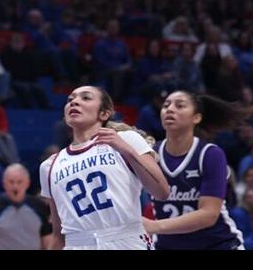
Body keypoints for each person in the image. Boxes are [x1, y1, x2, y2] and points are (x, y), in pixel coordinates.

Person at [39, 86, 170, 249]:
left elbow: (162, 191)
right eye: (70, 99)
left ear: (104, 113)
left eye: (85, 98)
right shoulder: (49, 166)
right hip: (77, 244)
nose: (74, 102)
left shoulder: (126, 139)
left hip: (126, 241)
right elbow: (59, 235)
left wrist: (128, 151)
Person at [144, 91, 251, 250]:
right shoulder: (150, 154)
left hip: (217, 244)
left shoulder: (210, 154)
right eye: (166, 105)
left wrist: (155, 226)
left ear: (196, 117)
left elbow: (209, 215)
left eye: (179, 105)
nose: (170, 109)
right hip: (168, 245)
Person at [0, 164, 52, 250]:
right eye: (11, 182)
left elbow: (47, 241)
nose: (15, 186)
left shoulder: (39, 206)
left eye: (19, 182)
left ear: (27, 183)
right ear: (4, 183)